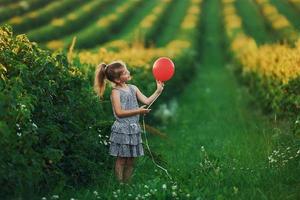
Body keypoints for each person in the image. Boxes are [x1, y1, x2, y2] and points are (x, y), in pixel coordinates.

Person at [94, 60, 164, 184]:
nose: (128, 72)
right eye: (125, 72)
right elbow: (119, 113)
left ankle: (127, 184)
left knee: (131, 159)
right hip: (122, 129)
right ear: (117, 80)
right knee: (121, 159)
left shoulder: (133, 88)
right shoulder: (115, 93)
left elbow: (147, 101)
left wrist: (158, 91)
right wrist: (138, 111)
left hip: (133, 129)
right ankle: (119, 184)